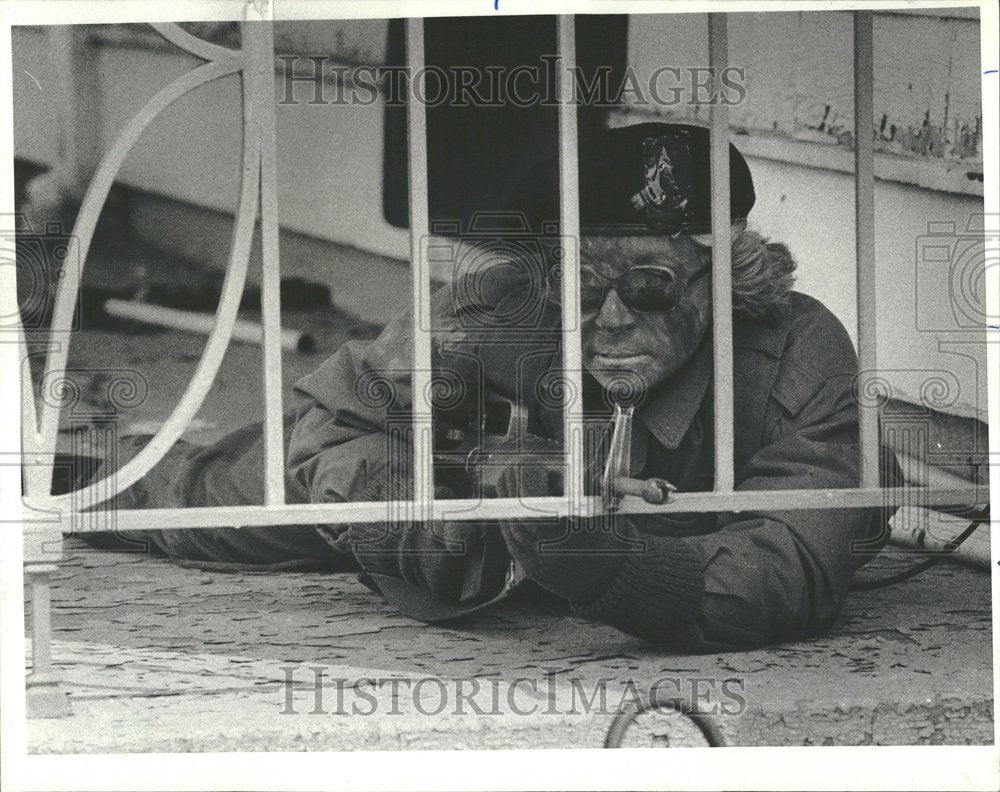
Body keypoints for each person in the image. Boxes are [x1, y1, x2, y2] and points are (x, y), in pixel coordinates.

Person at [100, 122, 894, 652]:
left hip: (610, 581)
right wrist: (466, 507)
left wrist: (600, 559)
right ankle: (79, 479)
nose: (610, 321)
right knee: (195, 499)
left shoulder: (802, 352)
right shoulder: (497, 309)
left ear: (726, 276)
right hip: (427, 532)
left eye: (650, 288)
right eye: (583, 289)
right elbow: (330, 429)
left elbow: (796, 564)